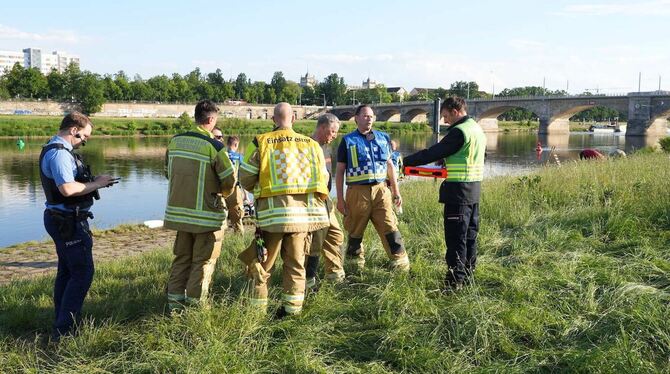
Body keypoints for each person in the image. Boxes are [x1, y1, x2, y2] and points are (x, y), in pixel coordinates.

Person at [237, 102, 330, 317]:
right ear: (294, 119)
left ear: (272, 119)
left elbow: (246, 177)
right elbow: (324, 179)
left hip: (272, 218)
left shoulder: (260, 142)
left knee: (262, 264)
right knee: (296, 264)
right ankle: (292, 311)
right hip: (302, 218)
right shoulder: (311, 145)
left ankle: (257, 312)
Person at [40, 112, 118, 339]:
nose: (84, 141)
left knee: (67, 272)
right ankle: (64, 331)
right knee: (83, 273)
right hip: (67, 222)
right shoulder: (59, 154)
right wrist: (97, 184)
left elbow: (71, 185)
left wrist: (95, 183)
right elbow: (67, 189)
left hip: (61, 219)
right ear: (74, 130)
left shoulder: (54, 148)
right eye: (84, 136)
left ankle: (61, 321)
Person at [403, 96, 486, 291]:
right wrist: (450, 157)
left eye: (446, 116)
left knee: (455, 239)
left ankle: (453, 283)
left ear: (455, 111)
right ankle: (467, 277)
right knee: (469, 237)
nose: (444, 120)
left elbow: (433, 152)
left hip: (458, 193)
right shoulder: (476, 129)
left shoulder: (458, 132)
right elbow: (474, 155)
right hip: (473, 192)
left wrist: (404, 162)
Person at [164, 100, 237, 311]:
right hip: (206, 216)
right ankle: (196, 309)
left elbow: (168, 173)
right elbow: (229, 180)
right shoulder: (214, 146)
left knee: (181, 260)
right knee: (202, 263)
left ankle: (174, 306)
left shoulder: (175, 141)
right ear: (211, 120)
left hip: (179, 215)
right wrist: (221, 194)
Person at [335, 104, 409, 272]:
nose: (369, 118)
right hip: (357, 192)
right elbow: (339, 172)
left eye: (371, 116)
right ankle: (355, 268)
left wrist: (396, 191)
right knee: (355, 230)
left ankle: (400, 265)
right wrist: (340, 199)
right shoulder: (347, 141)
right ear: (356, 118)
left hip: (381, 190)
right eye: (365, 115)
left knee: (389, 226)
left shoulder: (383, 138)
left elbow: (390, 166)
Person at [305, 113, 346, 290]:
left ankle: (334, 274)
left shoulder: (326, 147)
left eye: (336, 132)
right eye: (332, 131)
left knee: (336, 235)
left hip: (325, 200)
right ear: (322, 128)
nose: (335, 135)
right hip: (311, 201)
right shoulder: (306, 146)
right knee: (314, 242)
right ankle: (308, 281)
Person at [224, 135, 248, 233]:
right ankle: (239, 238)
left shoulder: (222, 155)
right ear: (236, 144)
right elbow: (243, 176)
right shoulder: (239, 157)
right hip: (234, 189)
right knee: (237, 215)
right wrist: (246, 194)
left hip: (221, 189)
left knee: (222, 214)